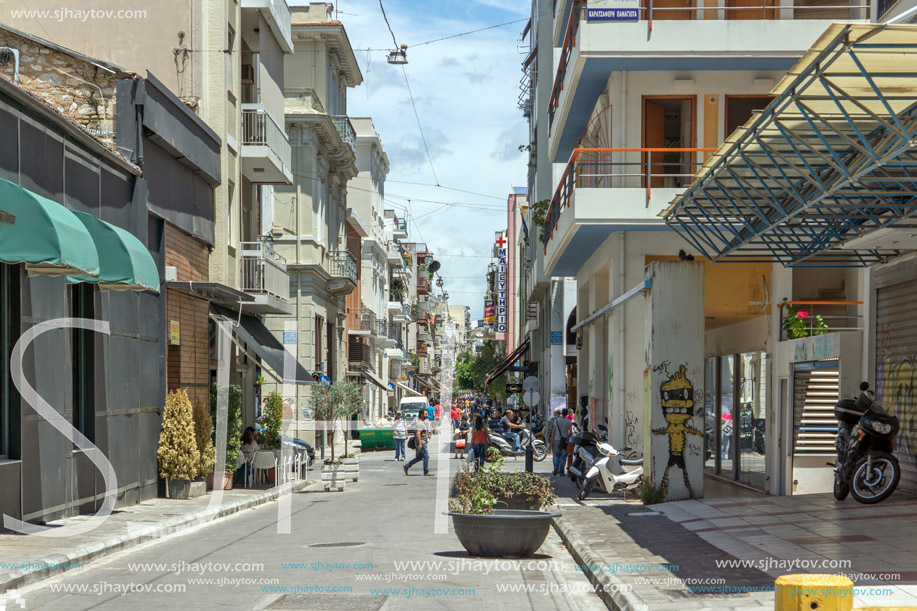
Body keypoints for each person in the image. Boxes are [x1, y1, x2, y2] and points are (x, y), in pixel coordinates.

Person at [404, 409, 433, 476]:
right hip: (421, 443)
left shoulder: (423, 421)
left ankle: (407, 466)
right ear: (421, 414)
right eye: (425, 414)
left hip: (422, 442)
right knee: (426, 456)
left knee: (420, 457)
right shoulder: (419, 423)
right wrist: (420, 444)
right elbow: (418, 433)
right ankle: (426, 471)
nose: (427, 415)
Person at [549, 408, 574, 476]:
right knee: (563, 457)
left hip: (556, 440)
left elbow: (553, 432)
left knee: (556, 455)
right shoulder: (569, 422)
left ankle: (556, 467)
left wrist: (552, 441)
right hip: (565, 441)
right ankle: (561, 472)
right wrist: (568, 435)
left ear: (561, 413)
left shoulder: (556, 421)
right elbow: (570, 432)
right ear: (567, 414)